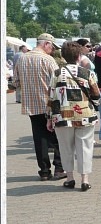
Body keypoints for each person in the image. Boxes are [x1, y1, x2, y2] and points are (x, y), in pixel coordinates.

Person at [49, 40, 99, 192]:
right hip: (85, 115)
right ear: (79, 56)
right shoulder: (87, 73)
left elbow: (51, 97)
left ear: (63, 57)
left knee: (65, 148)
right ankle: (84, 179)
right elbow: (96, 95)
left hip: (62, 116)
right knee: (85, 147)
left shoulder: (56, 73)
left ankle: (70, 178)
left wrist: (49, 118)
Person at [13, 35, 63, 180]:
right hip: (49, 104)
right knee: (57, 136)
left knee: (39, 138)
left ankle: (45, 171)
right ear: (46, 44)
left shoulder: (22, 58)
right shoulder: (47, 59)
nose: (52, 50)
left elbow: (15, 82)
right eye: (52, 47)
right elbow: (58, 81)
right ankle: (59, 168)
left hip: (31, 105)